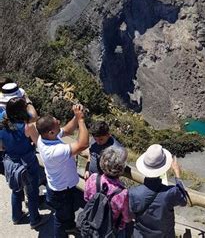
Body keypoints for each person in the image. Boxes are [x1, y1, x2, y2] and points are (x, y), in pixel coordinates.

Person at [36, 104, 89, 238]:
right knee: (60, 219)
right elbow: (83, 144)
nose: (59, 122)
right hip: (61, 191)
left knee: (67, 211)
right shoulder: (54, 151)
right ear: (51, 132)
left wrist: (76, 117)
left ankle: (70, 227)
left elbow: (67, 130)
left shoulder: (44, 138)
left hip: (62, 185)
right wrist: (81, 121)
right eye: (56, 123)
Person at [0, 97, 49, 229]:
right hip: (27, 162)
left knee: (16, 190)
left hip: (10, 161)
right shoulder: (27, 127)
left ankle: (16, 217)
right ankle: (34, 220)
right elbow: (38, 142)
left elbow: (1, 147)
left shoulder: (1, 125)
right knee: (31, 192)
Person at [128, 144, 188, 238]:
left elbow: (129, 214)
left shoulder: (133, 193)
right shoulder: (170, 192)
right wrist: (177, 174)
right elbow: (183, 201)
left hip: (140, 235)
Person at [84, 146, 132, 236]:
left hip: (92, 220)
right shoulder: (122, 192)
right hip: (111, 228)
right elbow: (126, 218)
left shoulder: (93, 178)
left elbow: (86, 198)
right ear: (121, 168)